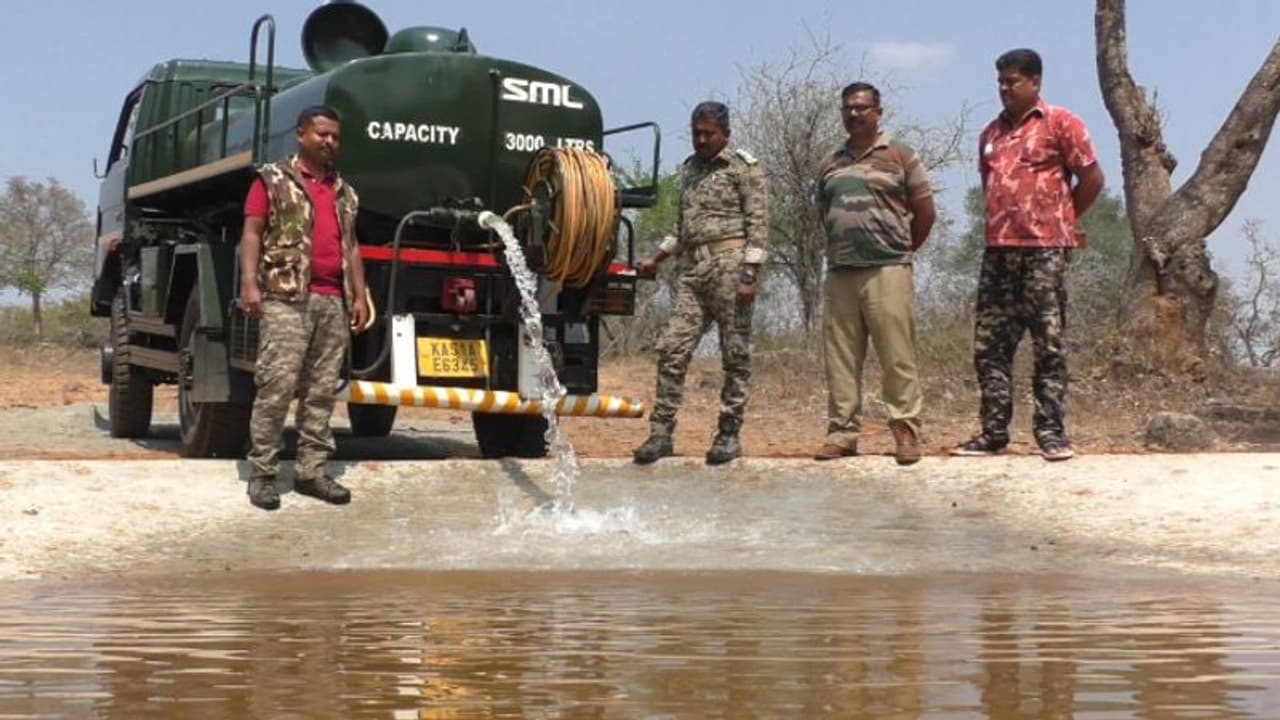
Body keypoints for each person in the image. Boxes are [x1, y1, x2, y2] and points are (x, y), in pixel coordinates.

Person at [952, 49, 1104, 461]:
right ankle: (993, 433)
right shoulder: (990, 135)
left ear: (1035, 82)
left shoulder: (1062, 123)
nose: (1004, 89)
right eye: (1000, 81)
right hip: (999, 251)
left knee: (1048, 343)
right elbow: (990, 188)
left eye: (1012, 81)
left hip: (1044, 252)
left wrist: (1063, 220)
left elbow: (1092, 178)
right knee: (990, 347)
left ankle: (1052, 433)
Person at [240, 105, 371, 510]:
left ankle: (312, 471)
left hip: (333, 301)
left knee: (321, 392)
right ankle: (263, 472)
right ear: (301, 135)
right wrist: (249, 284)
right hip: (286, 297)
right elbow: (252, 233)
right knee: (277, 386)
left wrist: (361, 294)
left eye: (335, 136)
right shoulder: (272, 179)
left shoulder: (345, 192)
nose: (329, 142)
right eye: (321, 134)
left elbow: (351, 247)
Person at [632, 101, 769, 466]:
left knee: (734, 353)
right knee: (672, 348)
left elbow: (758, 223)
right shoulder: (690, 169)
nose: (702, 139)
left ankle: (728, 434)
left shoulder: (743, 168)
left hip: (731, 265)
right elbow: (681, 228)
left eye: (709, 133)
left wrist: (750, 273)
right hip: (693, 271)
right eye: (696, 133)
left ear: (726, 134)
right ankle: (661, 433)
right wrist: (656, 258)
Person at [813, 82, 936, 466]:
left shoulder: (900, 155)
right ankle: (842, 433)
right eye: (848, 108)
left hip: (887, 268)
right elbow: (824, 214)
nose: (854, 114)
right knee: (841, 358)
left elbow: (925, 212)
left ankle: (905, 432)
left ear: (878, 112)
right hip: (842, 272)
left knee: (896, 354)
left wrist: (901, 251)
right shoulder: (831, 163)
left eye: (862, 107)